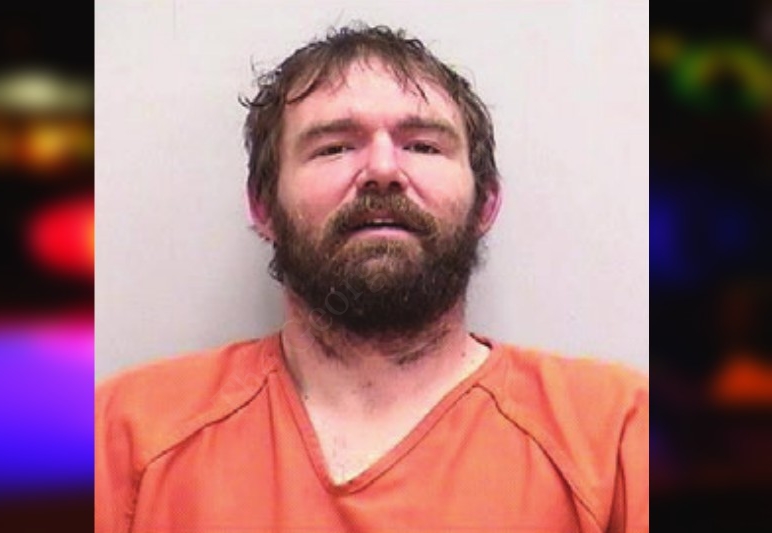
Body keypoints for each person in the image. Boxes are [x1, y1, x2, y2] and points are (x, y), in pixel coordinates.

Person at [95, 24, 648, 533]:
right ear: (264, 208)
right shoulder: (125, 433)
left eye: (423, 146)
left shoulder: (617, 435)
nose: (383, 170)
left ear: (486, 205)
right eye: (334, 147)